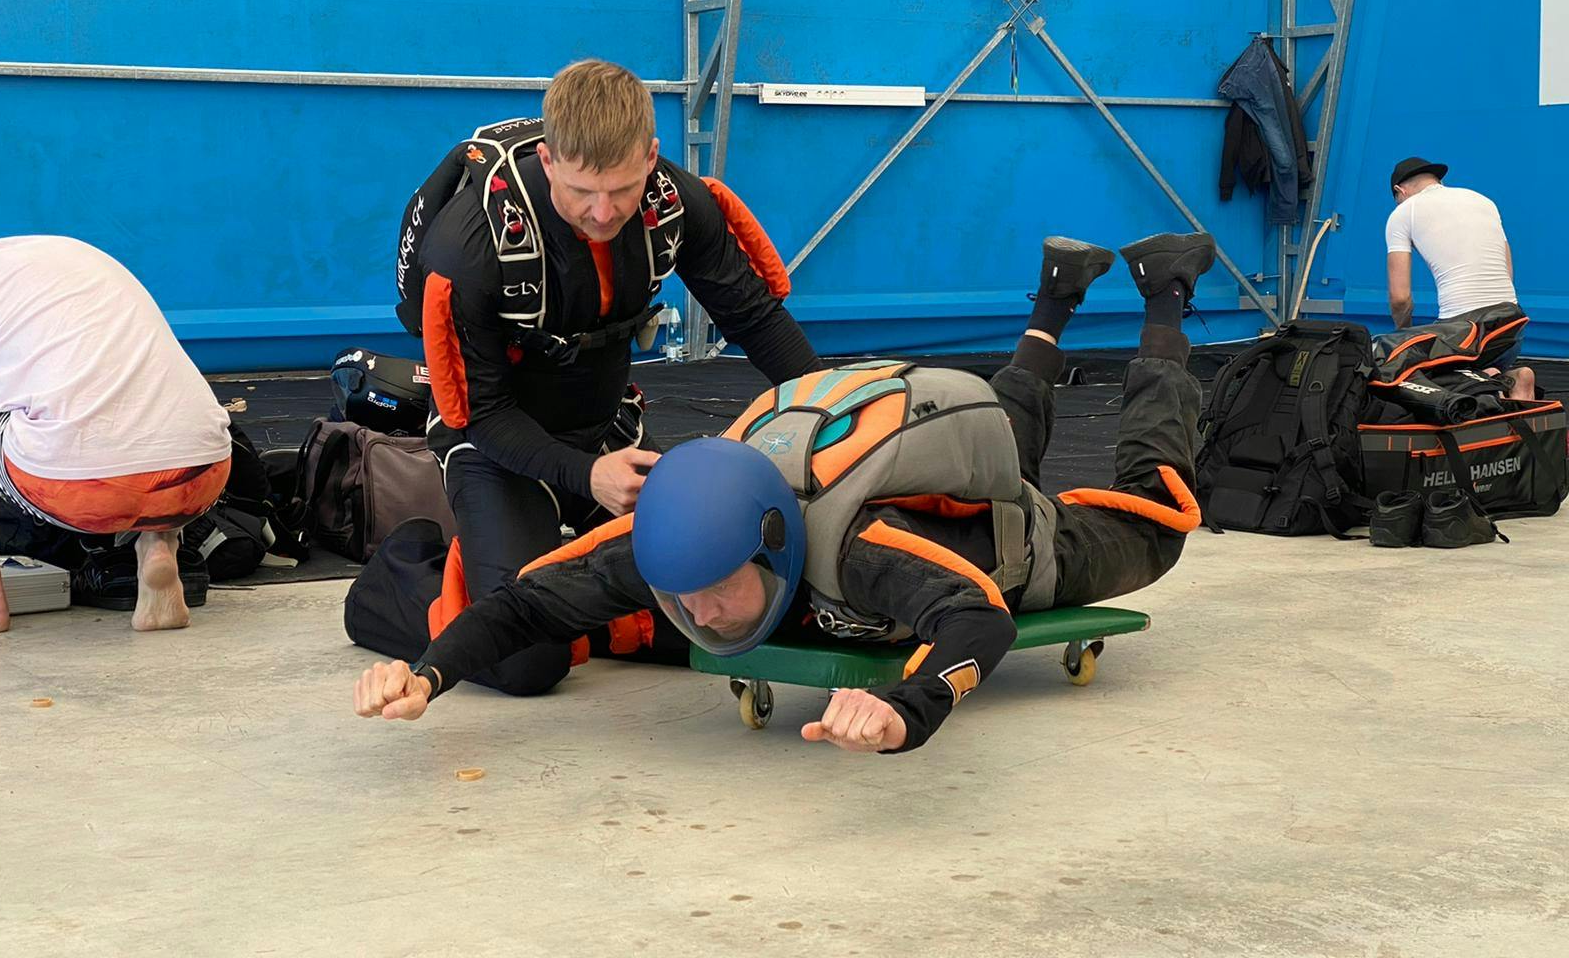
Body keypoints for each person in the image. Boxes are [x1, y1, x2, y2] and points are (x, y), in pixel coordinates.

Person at [352, 232, 1212, 754]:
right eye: (681, 598)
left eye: (715, 594)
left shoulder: (861, 552)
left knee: (1159, 515)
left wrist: (905, 712)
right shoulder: (669, 551)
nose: (701, 615)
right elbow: (528, 606)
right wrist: (428, 674)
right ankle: (1057, 293)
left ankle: (1167, 292)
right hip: (915, 472)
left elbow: (979, 619)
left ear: (772, 543)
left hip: (1008, 549)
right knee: (1009, 437)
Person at [345, 59, 819, 694]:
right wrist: (587, 477)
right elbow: (479, 415)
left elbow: (757, 318)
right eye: (581, 192)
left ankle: (563, 599)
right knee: (527, 663)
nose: (602, 212)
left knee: (721, 618)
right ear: (547, 161)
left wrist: (838, 413)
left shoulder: (672, 206)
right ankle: (403, 578)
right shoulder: (469, 247)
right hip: (497, 450)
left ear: (651, 157)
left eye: (621, 190)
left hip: (608, 434)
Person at [0, 236, 232, 633]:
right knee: (133, 394)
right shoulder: (70, 257)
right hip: (203, 473)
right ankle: (158, 546)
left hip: (80, 490)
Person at [1386, 157, 1535, 398]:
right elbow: (1507, 272)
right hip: (1511, 326)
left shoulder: (1404, 212)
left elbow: (1400, 298)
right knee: (1479, 365)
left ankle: (1491, 380)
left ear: (1399, 191)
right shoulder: (1483, 201)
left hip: (1466, 333)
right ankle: (1501, 378)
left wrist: (1402, 337)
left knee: (1412, 376)